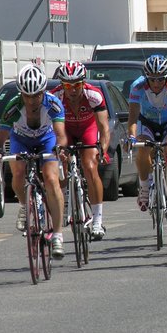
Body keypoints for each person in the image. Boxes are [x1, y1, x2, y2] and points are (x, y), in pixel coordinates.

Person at [0, 64, 67, 258]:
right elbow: (1, 137)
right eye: (27, 96)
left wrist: (60, 149)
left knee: (52, 179)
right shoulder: (13, 106)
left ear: (43, 91)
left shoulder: (53, 104)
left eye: (36, 95)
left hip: (47, 140)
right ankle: (24, 204)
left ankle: (58, 234)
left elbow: (61, 135)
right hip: (21, 139)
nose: (32, 100)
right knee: (18, 174)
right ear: (21, 94)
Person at [52, 61, 110, 240]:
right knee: (60, 162)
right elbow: (50, 128)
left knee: (90, 165)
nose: (73, 89)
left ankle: (97, 221)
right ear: (62, 85)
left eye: (77, 85)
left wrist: (102, 149)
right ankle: (66, 198)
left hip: (88, 129)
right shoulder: (55, 97)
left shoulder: (94, 95)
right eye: (68, 85)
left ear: (83, 83)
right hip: (66, 131)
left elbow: (104, 127)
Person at [127, 54, 167, 225]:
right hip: (148, 123)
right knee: (142, 148)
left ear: (166, 77)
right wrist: (131, 136)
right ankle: (144, 185)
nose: (157, 83)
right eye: (152, 79)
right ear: (147, 78)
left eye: (160, 79)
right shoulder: (137, 87)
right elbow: (132, 117)